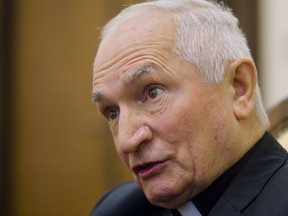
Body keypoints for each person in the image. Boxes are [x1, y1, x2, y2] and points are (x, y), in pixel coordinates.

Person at [91, 0, 288, 215]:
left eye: (152, 93)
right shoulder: (118, 209)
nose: (126, 141)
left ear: (238, 87)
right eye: (113, 113)